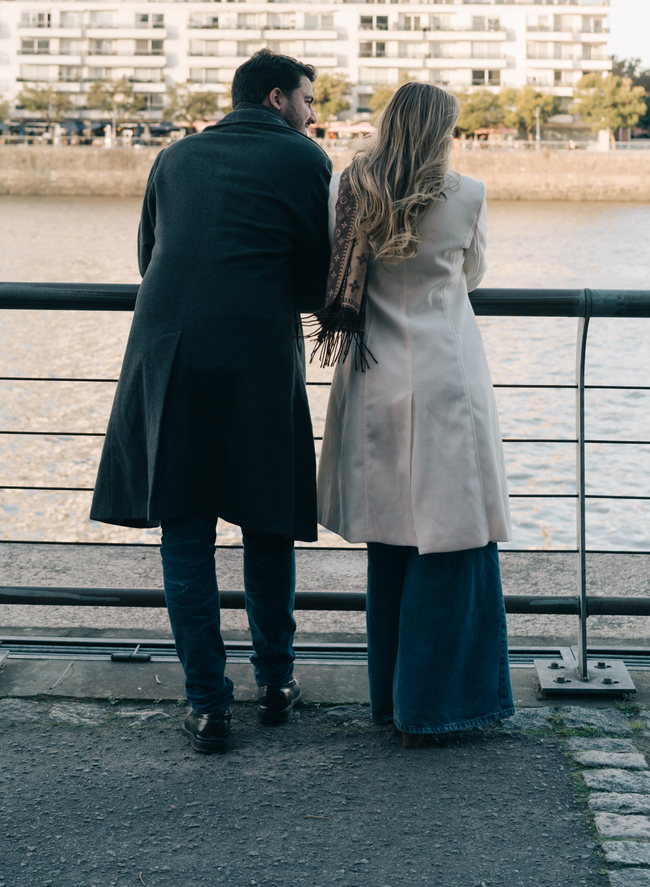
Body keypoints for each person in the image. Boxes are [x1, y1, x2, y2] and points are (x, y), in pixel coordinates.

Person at [90, 50, 332, 754]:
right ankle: (276, 683)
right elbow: (318, 276)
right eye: (308, 99)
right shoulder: (304, 158)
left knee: (186, 528)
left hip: (169, 352)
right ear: (278, 97)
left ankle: (207, 705)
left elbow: (149, 255)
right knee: (268, 521)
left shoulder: (174, 157)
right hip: (257, 353)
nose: (312, 113)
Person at [313, 80, 513, 745]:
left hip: (373, 374)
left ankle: (392, 698)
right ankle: (436, 705)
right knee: (454, 536)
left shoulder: (350, 187)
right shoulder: (467, 195)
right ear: (440, 134)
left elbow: (336, 267)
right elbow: (472, 275)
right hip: (446, 375)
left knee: (392, 538)